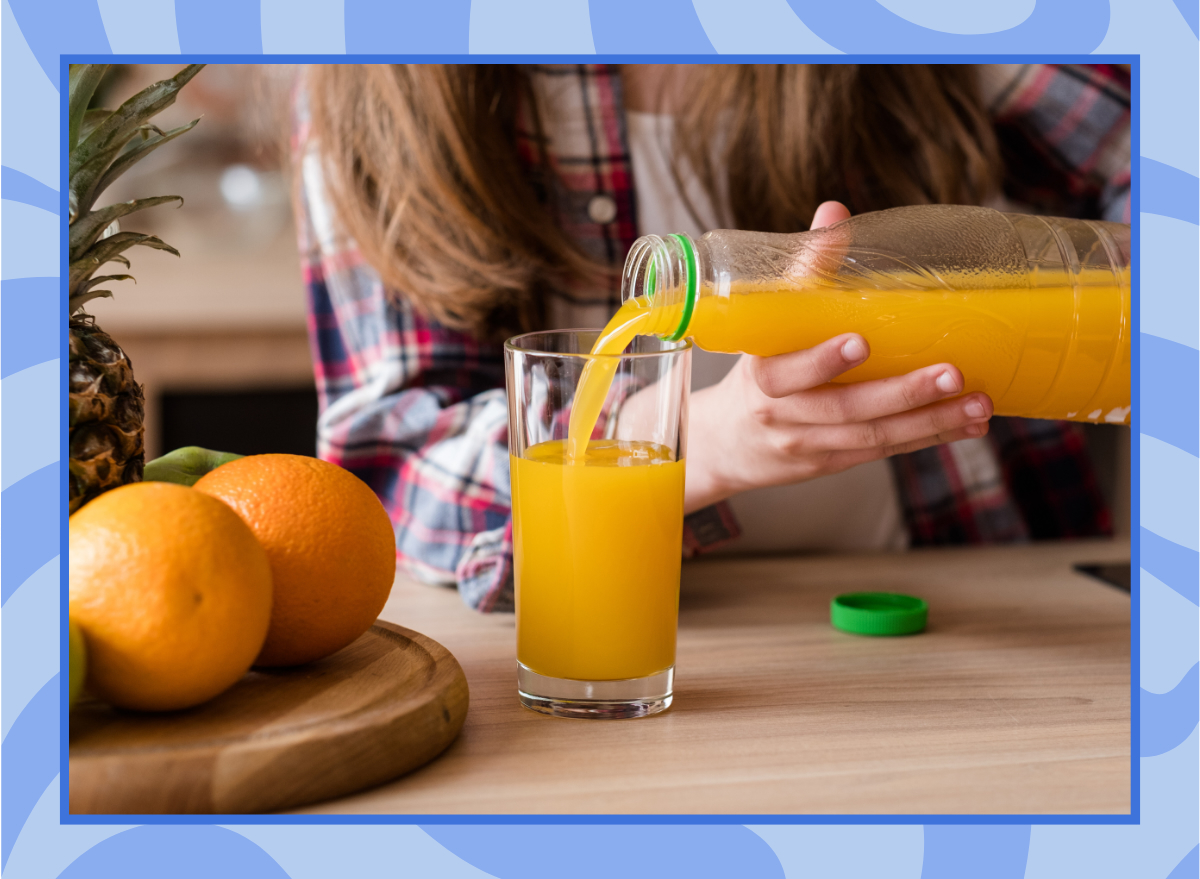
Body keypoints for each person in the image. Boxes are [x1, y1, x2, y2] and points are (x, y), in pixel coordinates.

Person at [293, 64, 1129, 612]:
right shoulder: (386, 78)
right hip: (678, 640)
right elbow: (385, 470)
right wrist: (691, 440)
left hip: (968, 600)